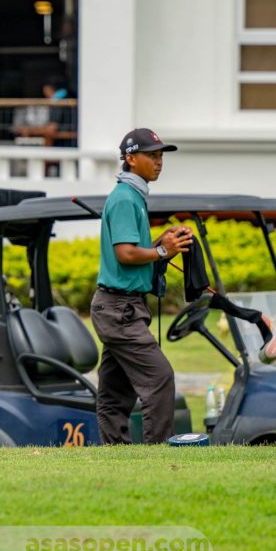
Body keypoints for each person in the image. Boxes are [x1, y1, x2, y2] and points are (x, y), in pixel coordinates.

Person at [90, 128, 194, 445]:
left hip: (120, 307)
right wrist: (163, 251)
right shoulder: (125, 198)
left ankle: (116, 455)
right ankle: (158, 453)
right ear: (131, 159)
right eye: (152, 155)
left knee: (114, 393)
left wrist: (162, 242)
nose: (159, 161)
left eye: (160, 156)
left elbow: (136, 250)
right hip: (119, 310)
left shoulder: (133, 195)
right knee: (160, 378)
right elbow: (126, 254)